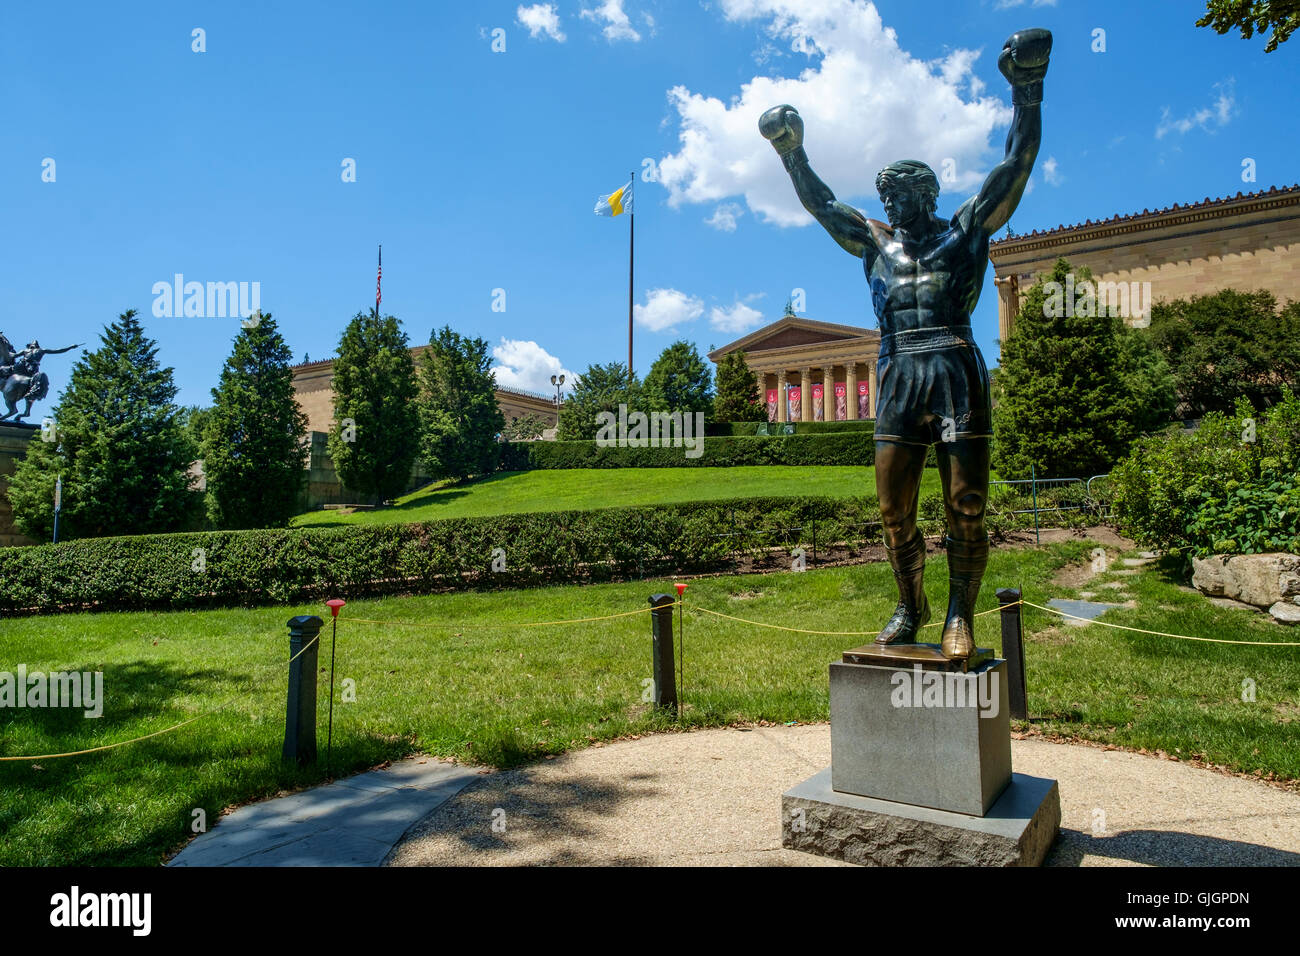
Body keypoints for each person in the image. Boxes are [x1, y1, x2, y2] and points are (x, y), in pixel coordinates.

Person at [759, 28, 1051, 659]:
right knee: (894, 509)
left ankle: (957, 614)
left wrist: (1027, 91)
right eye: (887, 194)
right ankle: (908, 603)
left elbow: (1014, 167)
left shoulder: (965, 231)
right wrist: (792, 153)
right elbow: (822, 205)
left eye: (904, 193)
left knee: (965, 503)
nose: (892, 201)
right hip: (897, 370)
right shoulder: (875, 243)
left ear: (929, 194)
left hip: (953, 364)